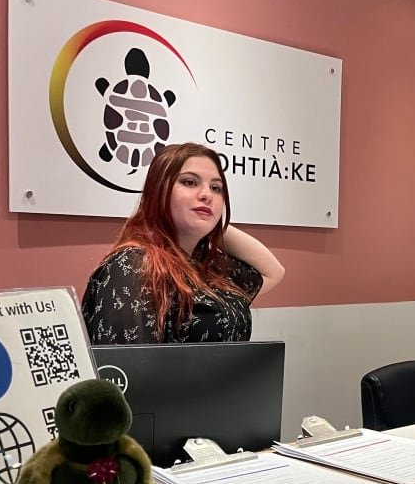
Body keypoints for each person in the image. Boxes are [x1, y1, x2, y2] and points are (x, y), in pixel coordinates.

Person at [82, 142, 285, 344]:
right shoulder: (132, 265)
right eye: (189, 182)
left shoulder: (207, 266)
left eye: (216, 188)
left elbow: (273, 272)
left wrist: (212, 224)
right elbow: (131, 366)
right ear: (158, 190)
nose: (206, 195)